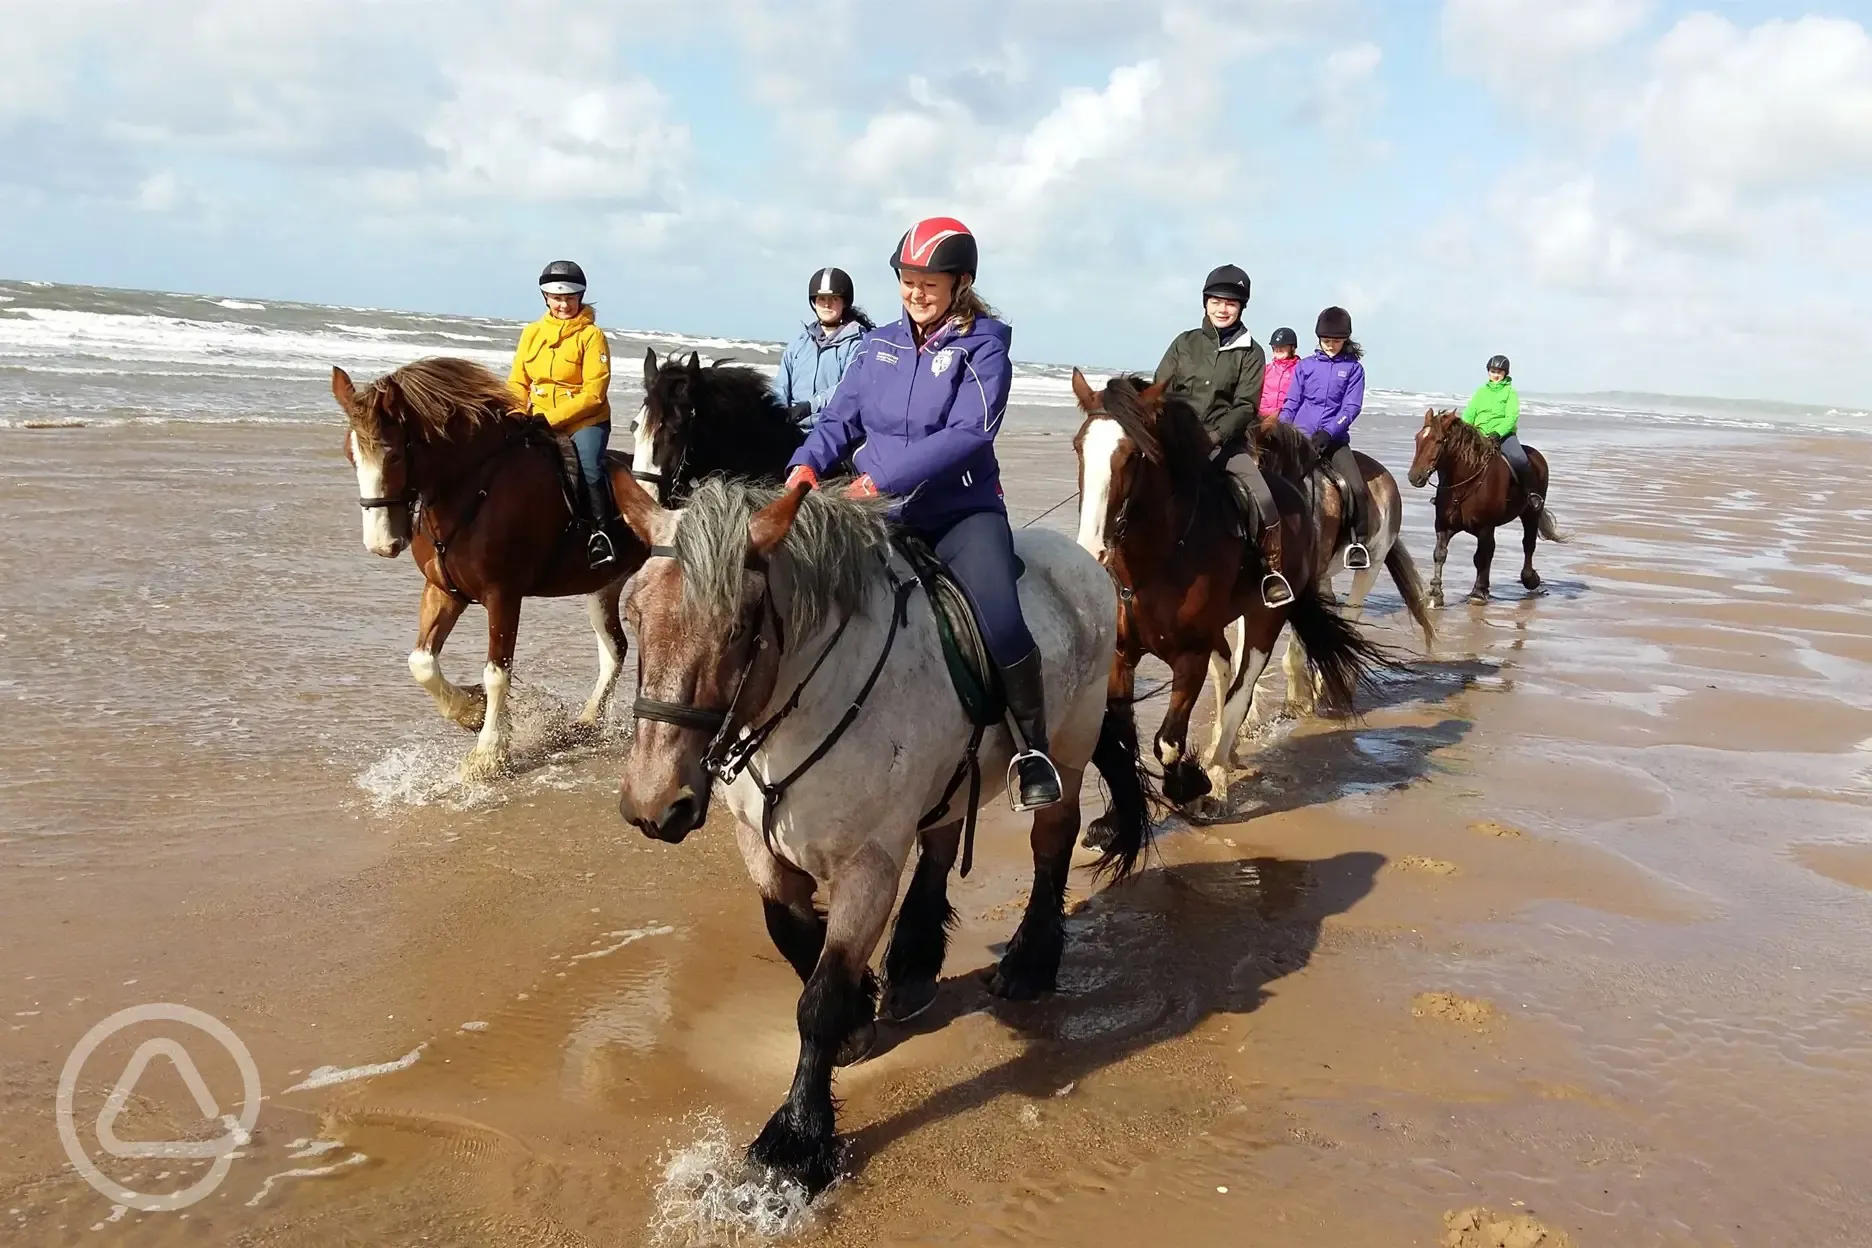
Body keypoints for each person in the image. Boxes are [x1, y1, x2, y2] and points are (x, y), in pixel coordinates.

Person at [784, 217, 1062, 811]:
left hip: (961, 512)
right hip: (881, 512)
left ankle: (1033, 749)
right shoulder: (877, 344)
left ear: (960, 282)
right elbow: (840, 419)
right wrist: (805, 465)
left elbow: (969, 433)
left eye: (929, 282)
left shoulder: (984, 347)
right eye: (908, 279)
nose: (915, 292)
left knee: (1001, 617)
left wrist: (876, 480)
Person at [1153, 264, 1292, 608]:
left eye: (1230, 303)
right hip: (1178, 441)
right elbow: (1160, 389)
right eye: (1216, 300)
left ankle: (1270, 571)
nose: (1222, 308)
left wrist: (1212, 437)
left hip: (1225, 445)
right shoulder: (1184, 343)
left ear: (1242, 307)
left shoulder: (1252, 352)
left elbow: (1245, 406)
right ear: (1205, 302)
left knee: (1262, 496)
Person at [508, 260, 620, 568]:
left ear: (580, 298)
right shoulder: (531, 333)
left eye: (569, 298)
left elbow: (594, 394)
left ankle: (601, 534)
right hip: (535, 417)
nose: (563, 305)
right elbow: (519, 380)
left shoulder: (592, 336)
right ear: (545, 298)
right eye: (557, 298)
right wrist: (517, 411)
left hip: (584, 420)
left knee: (589, 467)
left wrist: (549, 420)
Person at [1279, 306, 1373, 569]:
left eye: (1337, 341)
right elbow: (1292, 402)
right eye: (1327, 341)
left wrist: (1329, 432)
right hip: (1301, 439)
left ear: (1346, 341)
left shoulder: (1354, 369)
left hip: (1333, 441)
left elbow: (1351, 407)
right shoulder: (1306, 367)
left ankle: (1358, 542)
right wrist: (1283, 431)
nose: (1331, 346)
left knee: (1355, 488)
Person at [773, 267, 874, 430]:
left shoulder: (858, 343)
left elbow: (847, 387)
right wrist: (776, 411)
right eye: (821, 298)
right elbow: (780, 386)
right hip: (795, 427)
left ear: (844, 301)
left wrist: (809, 406)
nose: (827, 304)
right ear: (813, 302)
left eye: (834, 298)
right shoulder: (799, 343)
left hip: (834, 428)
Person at [1463, 354, 1540, 510]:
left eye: (1499, 372)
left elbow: (1511, 416)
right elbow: (1470, 412)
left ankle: (1530, 493)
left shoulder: (1510, 392)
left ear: (1505, 373)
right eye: (1492, 371)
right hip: (1478, 434)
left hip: (1503, 436)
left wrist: (1498, 433)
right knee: (1454, 456)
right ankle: (1444, 494)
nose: (1495, 375)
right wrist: (1465, 429)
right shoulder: (1481, 391)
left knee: (1520, 459)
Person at [1259, 326, 1301, 425]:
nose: (1278, 349)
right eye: (1275, 346)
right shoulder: (1265, 369)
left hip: (1288, 421)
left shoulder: (1300, 370)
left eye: (1283, 346)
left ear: (1292, 347)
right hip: (1262, 419)